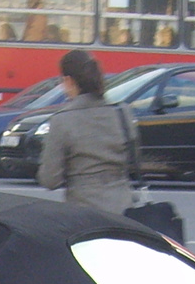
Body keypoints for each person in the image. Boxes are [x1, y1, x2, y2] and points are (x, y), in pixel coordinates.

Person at [36, 49, 138, 216]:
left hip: (84, 214)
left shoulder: (63, 119)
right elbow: (134, 161)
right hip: (124, 210)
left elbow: (50, 180)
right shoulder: (122, 112)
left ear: (68, 81)